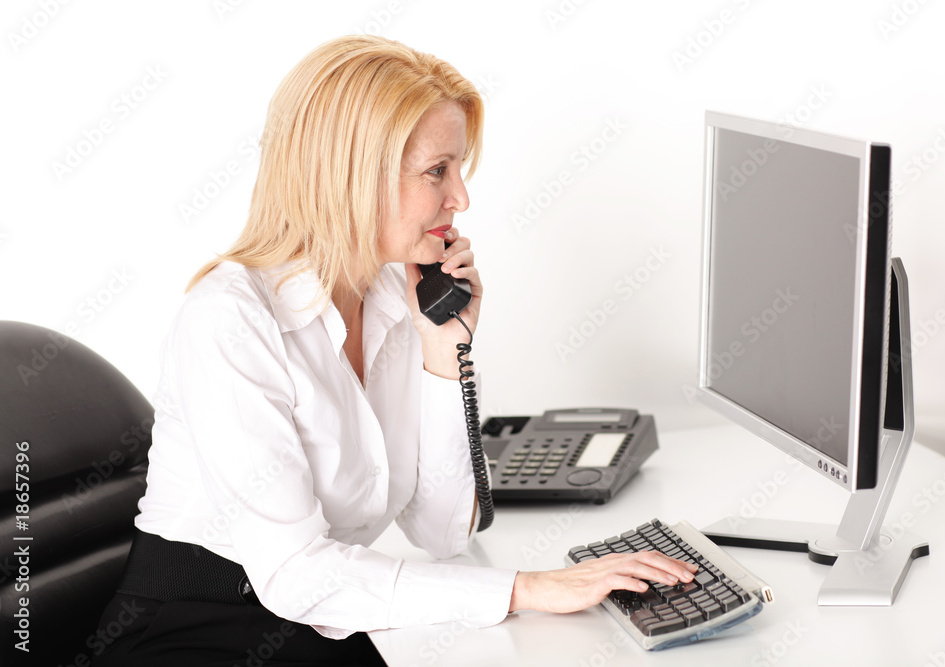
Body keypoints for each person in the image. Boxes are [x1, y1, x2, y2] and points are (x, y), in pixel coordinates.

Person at [93, 35, 697, 666]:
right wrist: (529, 589)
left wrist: (444, 351)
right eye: (437, 171)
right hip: (195, 627)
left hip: (321, 614)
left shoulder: (395, 298)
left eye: (458, 169)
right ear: (352, 177)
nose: (461, 198)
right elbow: (296, 575)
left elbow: (441, 532)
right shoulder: (229, 320)